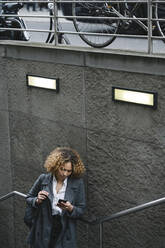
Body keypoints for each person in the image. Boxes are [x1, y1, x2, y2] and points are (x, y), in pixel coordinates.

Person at [25, 147, 86, 248]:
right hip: (43, 225)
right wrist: (37, 200)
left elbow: (81, 210)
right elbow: (29, 198)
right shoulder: (43, 179)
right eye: (62, 169)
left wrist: (71, 208)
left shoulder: (77, 183)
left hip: (64, 228)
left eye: (69, 171)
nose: (65, 174)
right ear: (55, 165)